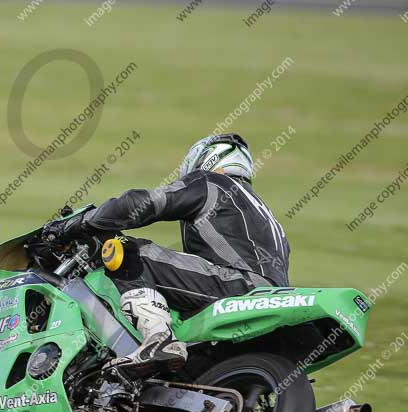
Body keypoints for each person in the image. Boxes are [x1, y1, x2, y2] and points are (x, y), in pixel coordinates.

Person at [42, 133, 289, 374]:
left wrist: (81, 223)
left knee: (128, 250)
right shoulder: (266, 216)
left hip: (239, 285)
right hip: (269, 295)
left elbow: (142, 204)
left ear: (208, 159)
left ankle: (159, 340)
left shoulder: (213, 182)